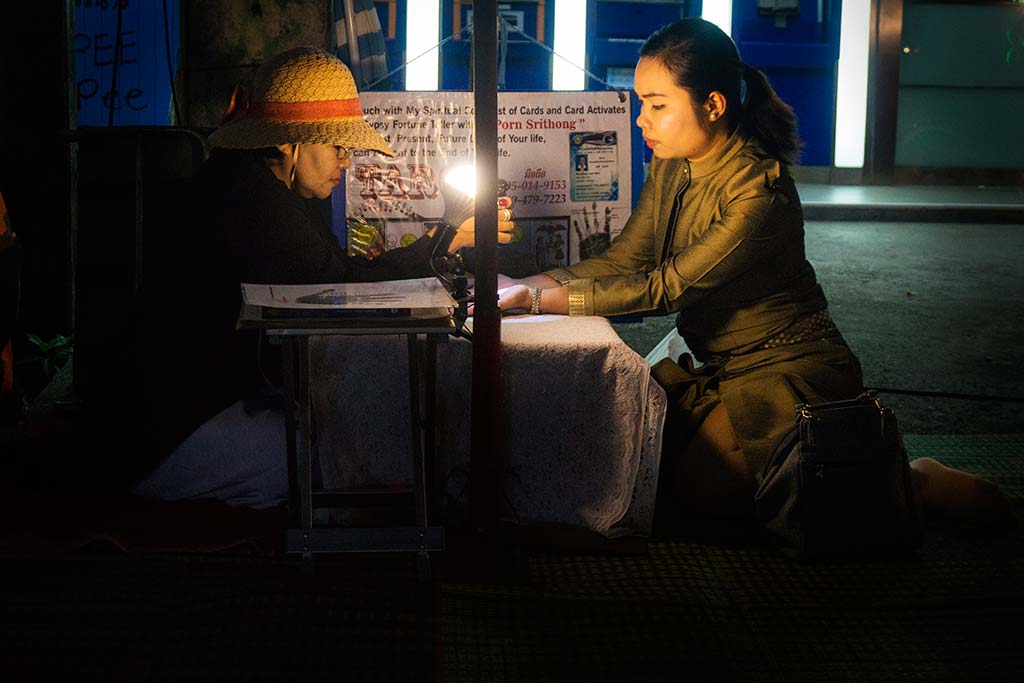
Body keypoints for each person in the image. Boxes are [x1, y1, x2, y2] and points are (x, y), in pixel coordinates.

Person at [495, 19, 1010, 529]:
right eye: (641, 103)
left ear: (713, 105)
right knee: (634, 458)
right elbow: (627, 259)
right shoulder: (674, 164)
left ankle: (912, 481)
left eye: (658, 104)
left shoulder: (759, 191)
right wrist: (527, 285)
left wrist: (539, 303)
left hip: (786, 369)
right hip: (717, 363)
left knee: (704, 495)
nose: (641, 121)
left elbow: (665, 289)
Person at [132, 47, 514, 508]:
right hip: (177, 428)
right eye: (337, 147)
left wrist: (443, 239)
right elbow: (343, 286)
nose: (347, 162)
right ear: (291, 143)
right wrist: (443, 239)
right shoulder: (252, 202)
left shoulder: (262, 186)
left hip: (206, 406)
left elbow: (334, 272)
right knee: (336, 456)